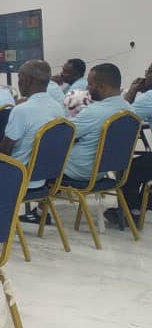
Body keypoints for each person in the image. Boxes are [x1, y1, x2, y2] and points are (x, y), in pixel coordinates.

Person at [0, 61, 64, 224]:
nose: (18, 83)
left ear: (27, 80)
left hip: (19, 179)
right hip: (44, 178)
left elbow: (4, 151)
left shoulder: (21, 110)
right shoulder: (58, 108)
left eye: (19, 78)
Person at [65, 63, 133, 184]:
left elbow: (61, 134)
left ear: (102, 86)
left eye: (90, 84)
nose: (87, 88)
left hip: (76, 172)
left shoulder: (94, 111)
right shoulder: (130, 111)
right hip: (101, 171)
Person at [115, 67, 152, 223]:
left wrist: (132, 91)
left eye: (148, 72)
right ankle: (144, 204)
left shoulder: (150, 97)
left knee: (128, 170)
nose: (145, 76)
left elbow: (121, 116)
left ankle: (130, 214)